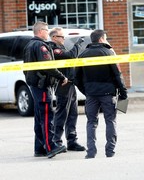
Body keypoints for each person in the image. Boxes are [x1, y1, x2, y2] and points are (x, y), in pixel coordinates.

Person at [74, 29, 128, 159]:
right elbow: (117, 75)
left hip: (91, 94)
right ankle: (110, 151)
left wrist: (86, 91)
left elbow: (76, 78)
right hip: (108, 93)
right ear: (101, 39)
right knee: (110, 121)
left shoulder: (82, 55)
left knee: (91, 122)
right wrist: (123, 92)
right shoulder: (108, 53)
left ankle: (91, 152)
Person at [23, 21, 68, 158]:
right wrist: (61, 77)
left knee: (39, 117)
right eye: (47, 30)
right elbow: (48, 66)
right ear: (40, 31)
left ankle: (40, 147)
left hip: (35, 85)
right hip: (42, 85)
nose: (48, 33)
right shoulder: (40, 45)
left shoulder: (29, 45)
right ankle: (50, 147)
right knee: (47, 116)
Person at [48, 27, 86, 152]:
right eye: (61, 36)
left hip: (70, 84)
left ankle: (72, 141)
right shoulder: (53, 49)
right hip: (62, 85)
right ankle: (56, 141)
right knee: (62, 114)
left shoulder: (61, 47)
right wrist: (78, 44)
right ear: (54, 37)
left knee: (72, 114)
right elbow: (70, 56)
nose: (63, 39)